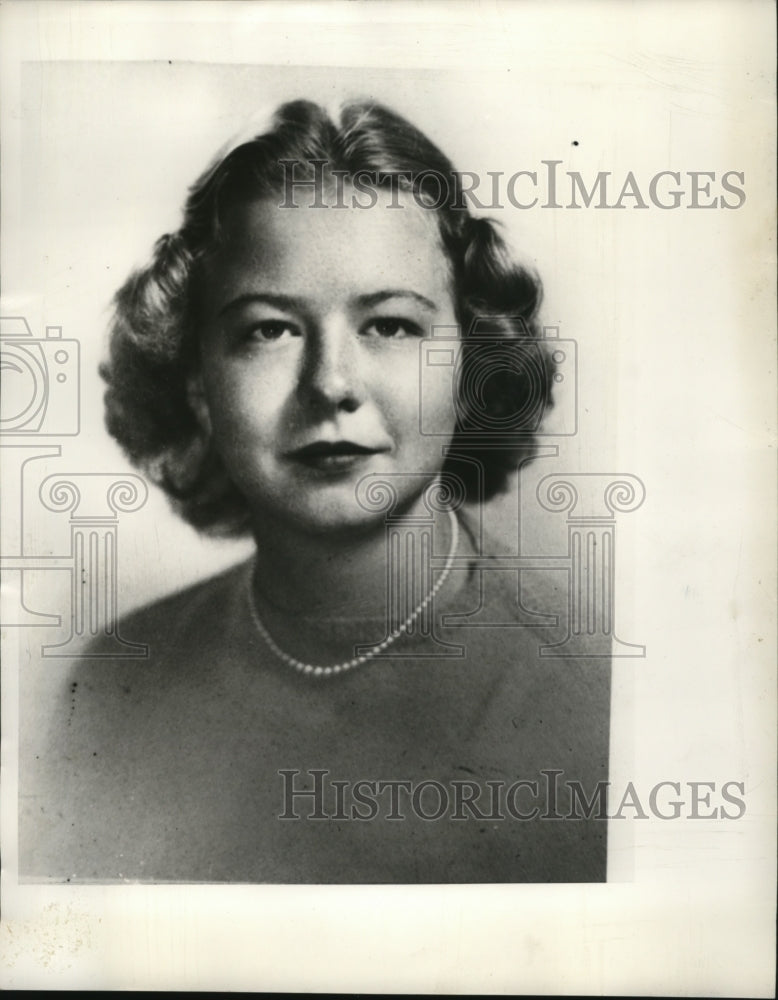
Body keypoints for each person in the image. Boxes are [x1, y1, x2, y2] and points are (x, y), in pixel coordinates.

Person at [21, 99, 610, 883]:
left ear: (474, 364)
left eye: (392, 326)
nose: (331, 384)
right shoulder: (112, 685)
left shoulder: (594, 700)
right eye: (269, 329)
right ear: (197, 382)